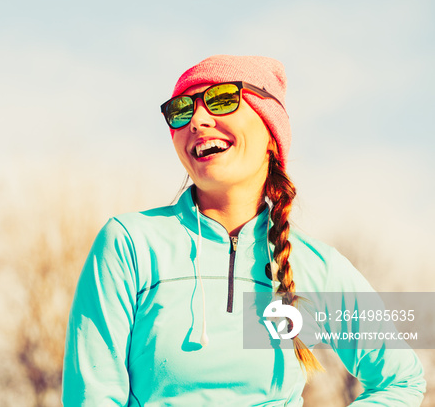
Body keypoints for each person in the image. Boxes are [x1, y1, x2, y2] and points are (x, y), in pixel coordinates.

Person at [62, 55, 426, 406]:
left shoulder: (315, 266)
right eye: (181, 110)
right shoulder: (130, 243)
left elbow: (402, 380)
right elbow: (92, 395)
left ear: (271, 133)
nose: (197, 120)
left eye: (221, 100)